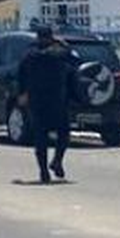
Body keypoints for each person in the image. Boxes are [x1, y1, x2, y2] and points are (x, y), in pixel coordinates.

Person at [17, 25, 77, 184]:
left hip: (37, 102)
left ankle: (44, 171)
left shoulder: (30, 54)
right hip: (57, 100)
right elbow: (73, 58)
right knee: (63, 134)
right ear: (51, 37)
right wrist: (62, 43)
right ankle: (57, 160)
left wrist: (22, 93)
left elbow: (20, 74)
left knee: (40, 138)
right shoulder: (59, 53)